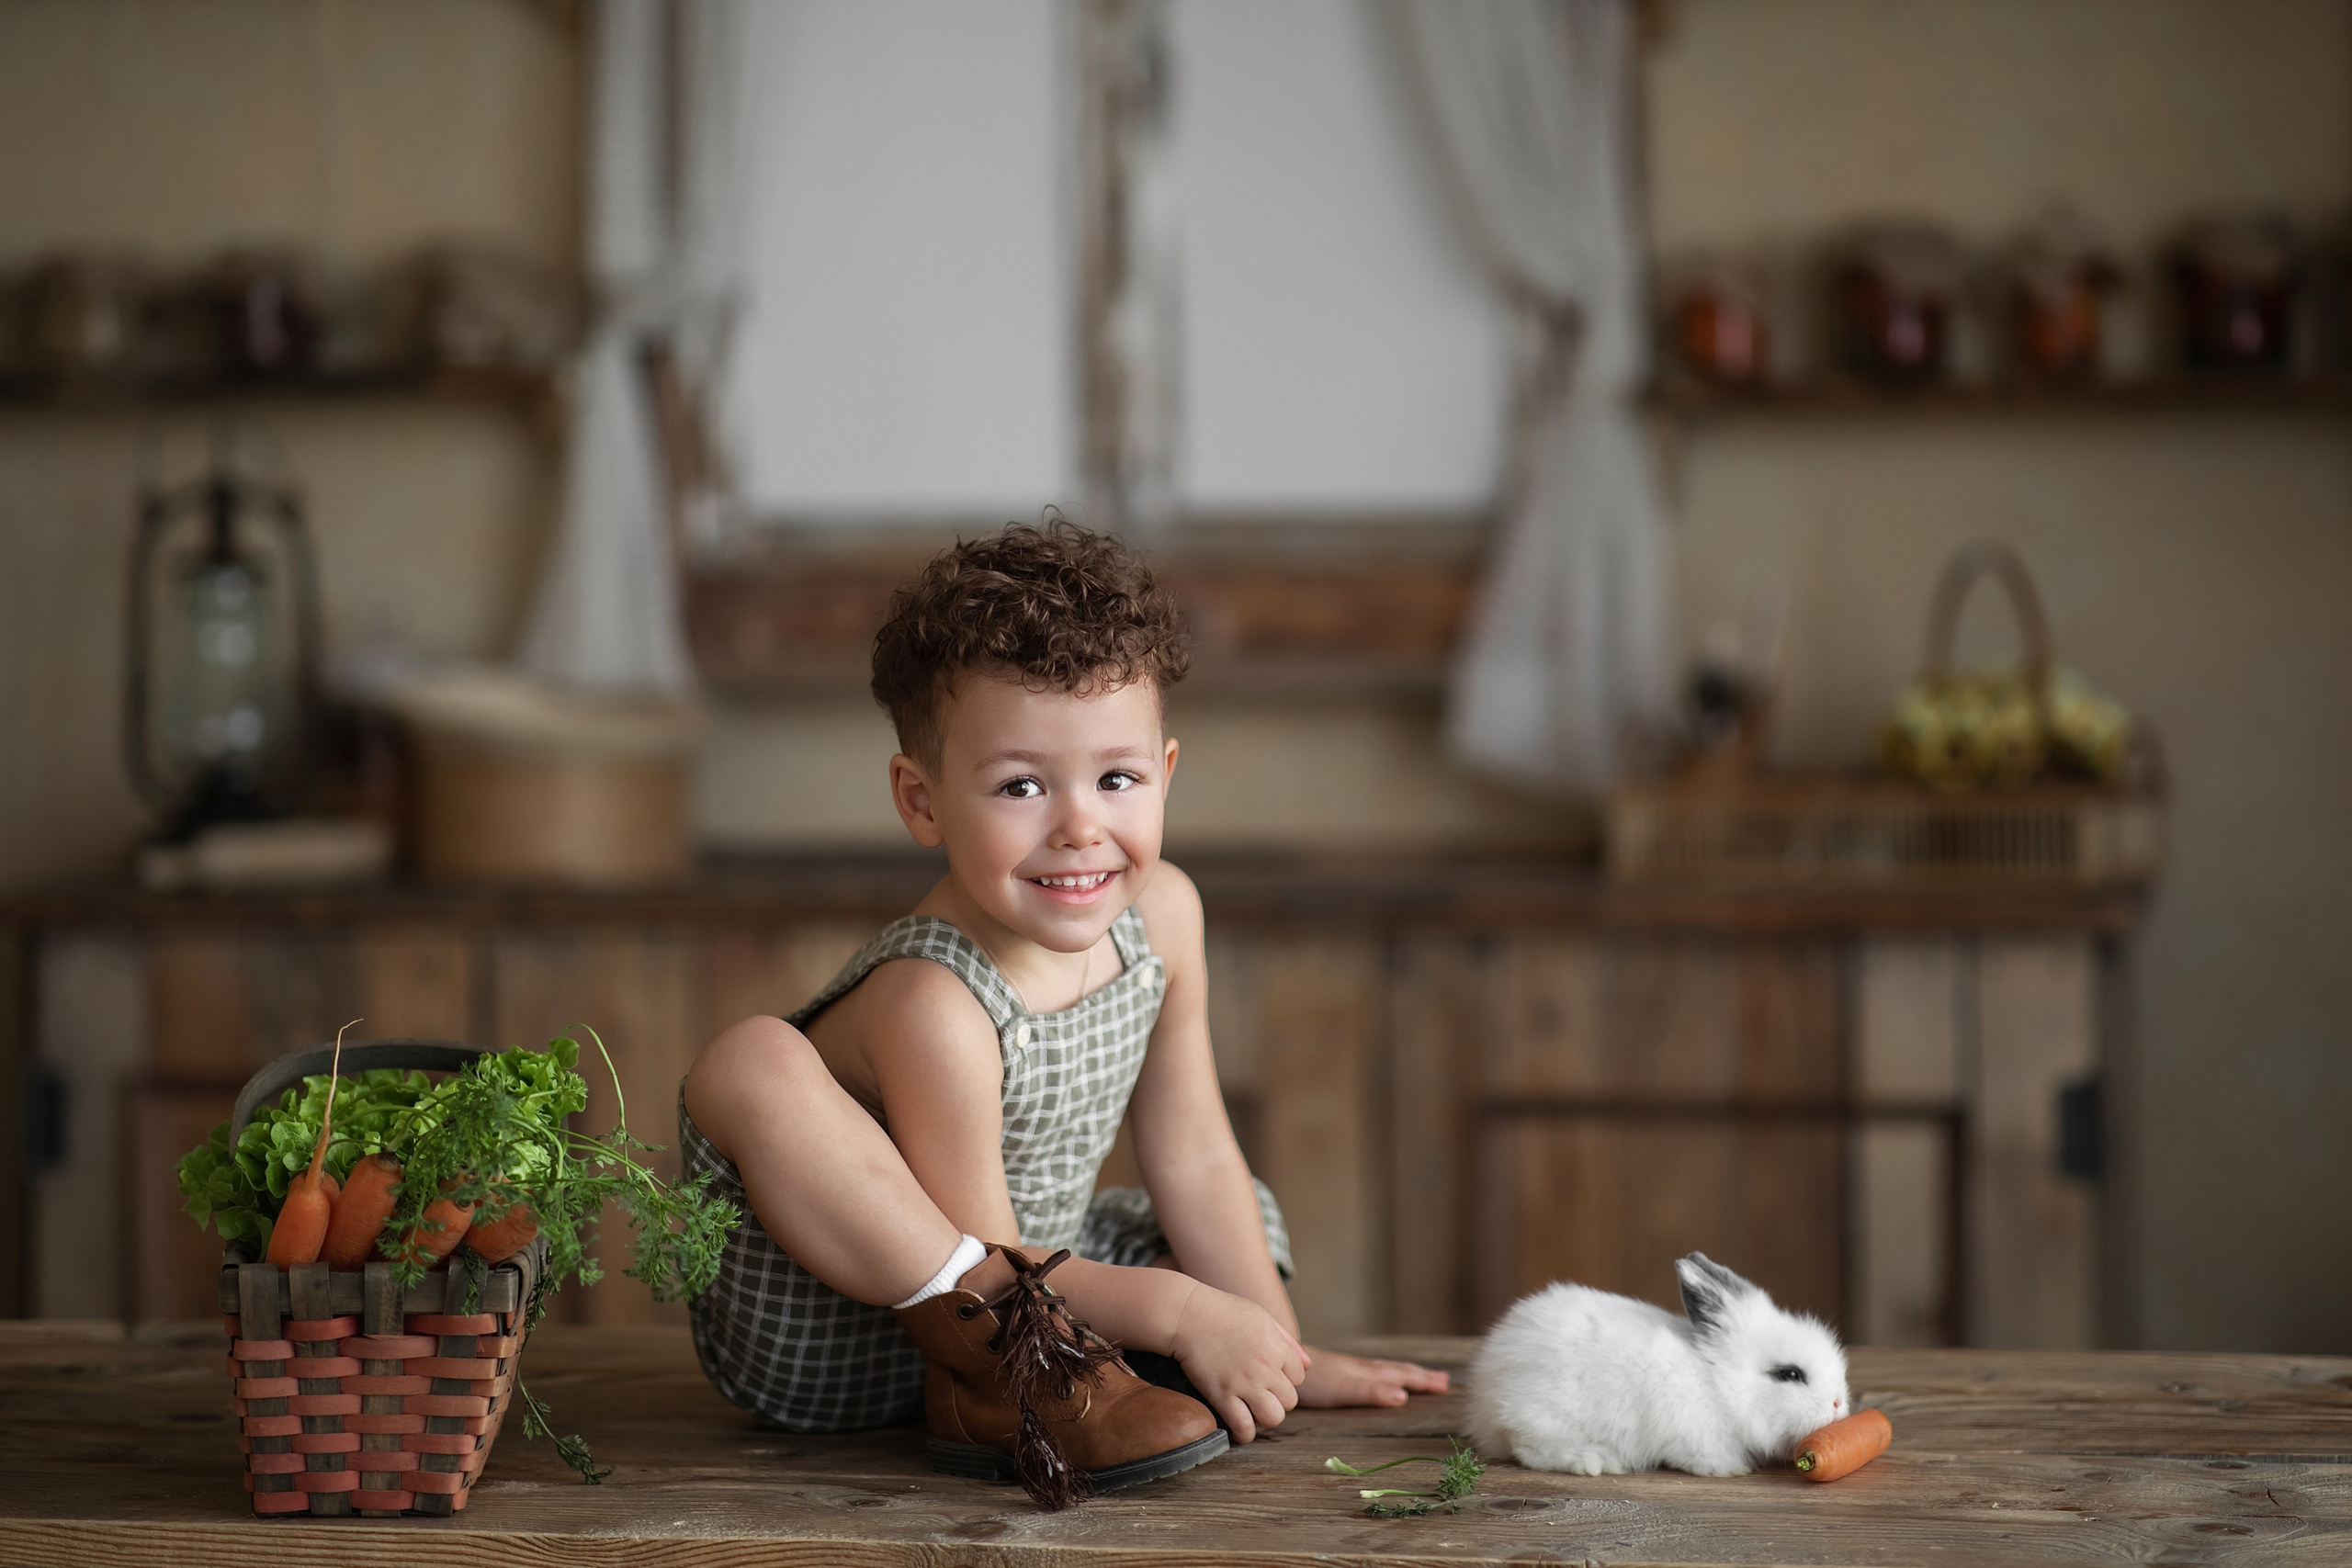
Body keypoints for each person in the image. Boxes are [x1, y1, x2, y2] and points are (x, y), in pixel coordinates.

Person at [680, 519, 1446, 1506]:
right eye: (1021, 785)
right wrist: (1174, 1311)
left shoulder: (1164, 915)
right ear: (922, 802)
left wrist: (1276, 1348)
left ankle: (1132, 1373)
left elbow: (1193, 1151)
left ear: (1165, 774)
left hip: (1051, 1299)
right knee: (750, 1057)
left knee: (1224, 1206)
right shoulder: (938, 1002)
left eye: (1116, 778)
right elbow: (989, 1261)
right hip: (877, 1336)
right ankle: (1061, 1379)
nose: (1080, 825)